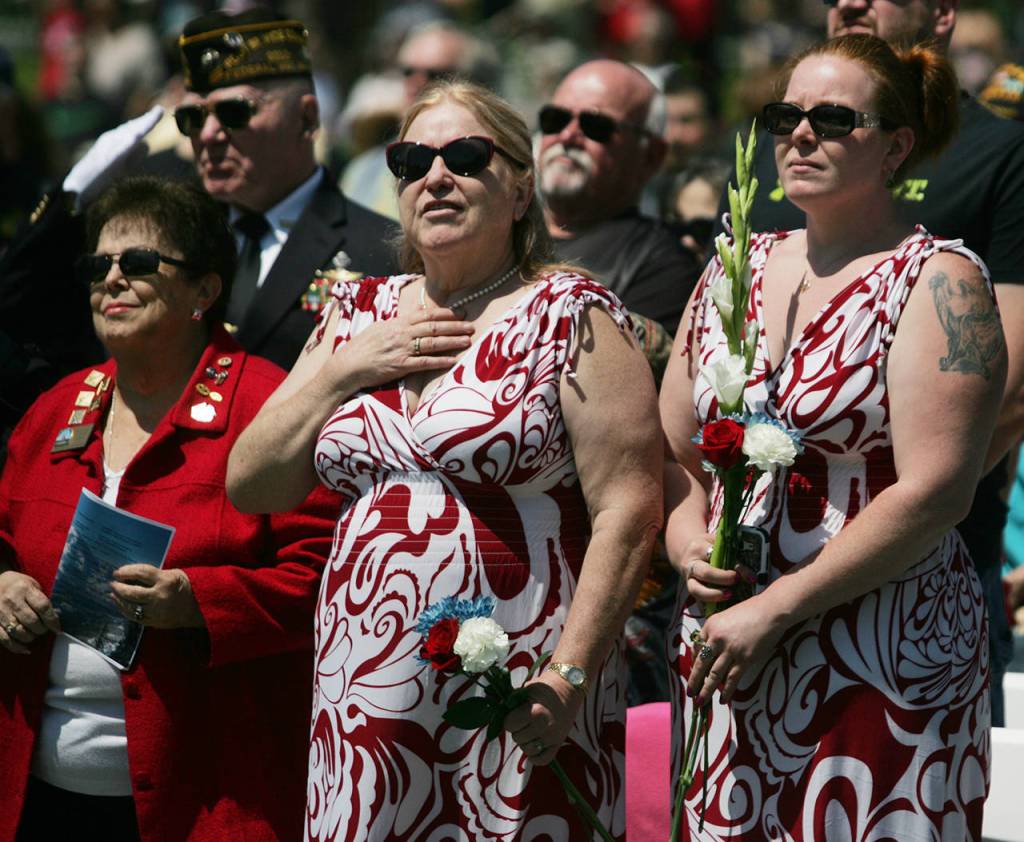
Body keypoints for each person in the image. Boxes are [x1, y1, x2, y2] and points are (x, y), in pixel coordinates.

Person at [226, 79, 663, 841]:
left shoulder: (569, 312)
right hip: (365, 688)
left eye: (466, 155)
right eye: (412, 159)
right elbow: (253, 482)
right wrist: (344, 369)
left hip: (520, 679)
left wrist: (566, 678)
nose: (436, 176)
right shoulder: (355, 314)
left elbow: (629, 508)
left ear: (522, 189)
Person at [663, 35, 1003, 838]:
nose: (801, 135)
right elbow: (671, 448)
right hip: (731, 641)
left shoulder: (941, 279)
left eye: (833, 118)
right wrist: (686, 547)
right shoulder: (733, 266)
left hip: (879, 653)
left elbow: (937, 491)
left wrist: (776, 608)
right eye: (787, 115)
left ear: (896, 147)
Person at [0, 176, 335, 841]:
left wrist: (199, 602)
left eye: (139, 263)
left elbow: (325, 577)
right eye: (97, 266)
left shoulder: (271, 410)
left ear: (204, 292)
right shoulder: (53, 410)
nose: (112, 279)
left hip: (205, 803)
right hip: (37, 800)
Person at [719, 0, 1024, 729]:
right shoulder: (772, 154)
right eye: (788, 118)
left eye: (833, 122)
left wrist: (864, 522)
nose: (848, 2)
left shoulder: (997, 156)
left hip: (907, 578)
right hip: (742, 584)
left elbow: (1008, 389)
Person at [174, 8, 399, 369]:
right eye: (193, 117)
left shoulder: (384, 252)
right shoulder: (173, 241)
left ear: (307, 118)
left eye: (234, 112)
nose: (208, 134)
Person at [537, 59, 700, 335]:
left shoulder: (661, 265)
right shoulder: (496, 233)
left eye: (596, 126)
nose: (567, 135)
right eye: (556, 120)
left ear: (651, 156)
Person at [340, 20, 501, 221]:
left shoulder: (498, 165)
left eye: (435, 75)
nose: (416, 84)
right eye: (408, 72)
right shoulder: (363, 172)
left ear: (476, 85)